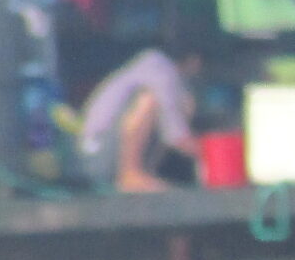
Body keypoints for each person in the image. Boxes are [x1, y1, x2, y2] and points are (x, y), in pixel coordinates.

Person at [76, 46, 202, 191]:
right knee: (148, 101)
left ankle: (144, 174)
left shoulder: (162, 71)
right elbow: (176, 135)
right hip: (97, 155)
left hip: (107, 155)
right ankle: (130, 175)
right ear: (194, 61)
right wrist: (210, 151)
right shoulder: (160, 70)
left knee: (184, 106)